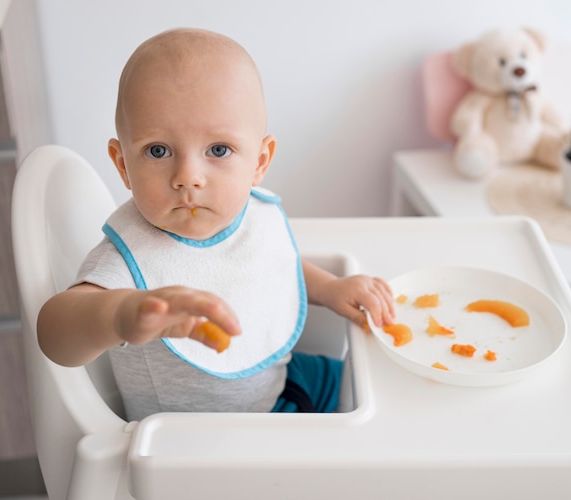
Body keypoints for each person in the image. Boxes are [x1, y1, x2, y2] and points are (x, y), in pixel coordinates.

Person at [37, 27, 394, 420]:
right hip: (202, 443)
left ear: (259, 161)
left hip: (282, 382)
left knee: (380, 392)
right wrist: (121, 315)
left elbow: (272, 263)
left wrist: (331, 288)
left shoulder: (250, 214)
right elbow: (54, 333)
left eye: (218, 150)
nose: (187, 176)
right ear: (123, 164)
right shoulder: (127, 258)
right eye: (158, 150)